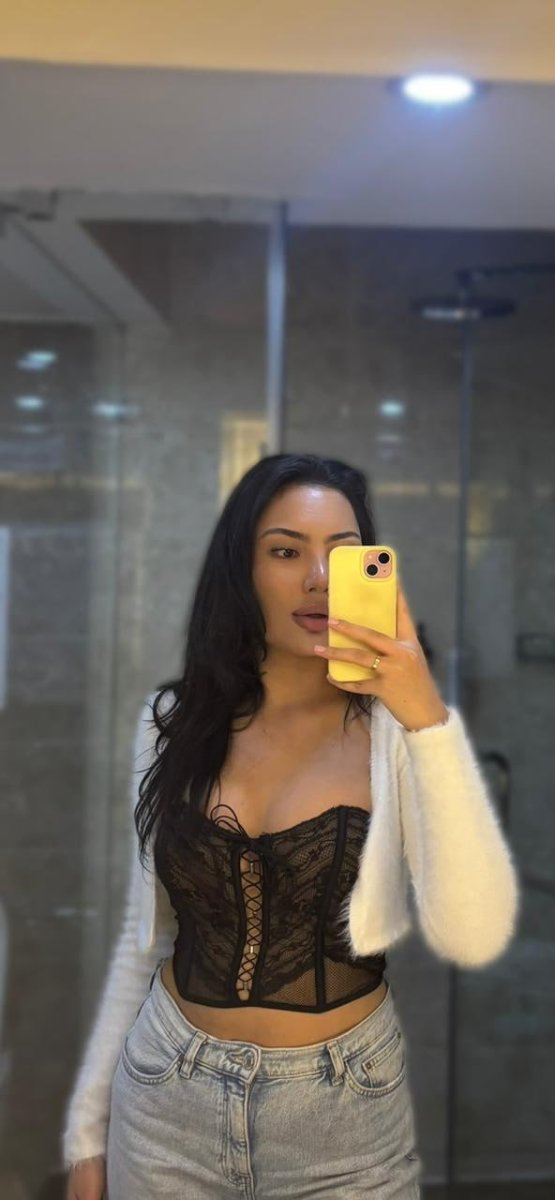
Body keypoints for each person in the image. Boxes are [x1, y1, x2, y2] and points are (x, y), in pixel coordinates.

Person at [63, 453, 520, 1199]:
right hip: (163, 1098)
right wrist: (88, 1128)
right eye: (285, 551)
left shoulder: (399, 732)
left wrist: (426, 719)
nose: (318, 578)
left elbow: (474, 935)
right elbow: (144, 938)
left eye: (343, 555)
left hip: (342, 1122)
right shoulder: (172, 721)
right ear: (241, 571)